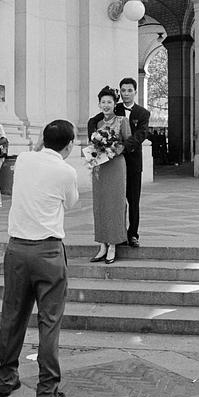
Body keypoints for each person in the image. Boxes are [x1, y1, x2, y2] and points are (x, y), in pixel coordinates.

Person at [0, 119, 79, 397]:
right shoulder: (67, 171)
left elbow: (36, 148)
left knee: (12, 315)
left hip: (17, 249)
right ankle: (46, 390)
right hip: (48, 253)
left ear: (43, 138)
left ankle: (6, 379)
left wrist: (42, 140)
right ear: (69, 145)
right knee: (49, 322)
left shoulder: (26, 159)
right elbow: (71, 203)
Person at [86, 86, 131, 264]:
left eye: (109, 102)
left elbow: (127, 142)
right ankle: (102, 244)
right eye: (103, 102)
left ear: (115, 104)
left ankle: (113, 244)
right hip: (100, 167)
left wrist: (115, 148)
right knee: (100, 203)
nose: (106, 105)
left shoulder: (122, 121)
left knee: (115, 203)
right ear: (99, 104)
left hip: (116, 165)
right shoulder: (96, 124)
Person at [113, 77, 150, 247]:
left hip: (134, 162)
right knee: (117, 200)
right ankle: (118, 234)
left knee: (133, 200)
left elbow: (140, 135)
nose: (126, 94)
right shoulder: (113, 108)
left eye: (129, 90)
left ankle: (133, 234)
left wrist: (124, 147)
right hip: (115, 163)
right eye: (123, 90)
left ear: (135, 92)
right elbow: (94, 121)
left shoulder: (143, 113)